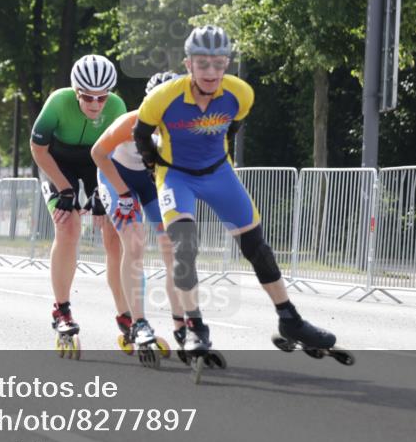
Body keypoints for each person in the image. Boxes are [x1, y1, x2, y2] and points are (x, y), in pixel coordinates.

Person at [133, 25, 338, 358]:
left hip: (219, 173)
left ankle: (290, 318)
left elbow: (234, 128)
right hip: (176, 177)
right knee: (184, 248)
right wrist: (154, 166)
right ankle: (195, 327)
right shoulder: (163, 98)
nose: (211, 72)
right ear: (188, 65)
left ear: (226, 63)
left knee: (257, 247)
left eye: (218, 63)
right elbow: (141, 135)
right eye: (202, 64)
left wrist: (219, 157)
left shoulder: (240, 93)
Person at [30, 54, 127, 351]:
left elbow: (117, 155)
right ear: (76, 92)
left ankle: (126, 316)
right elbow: (38, 148)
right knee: (69, 227)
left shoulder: (117, 107)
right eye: (87, 97)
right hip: (58, 163)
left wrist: (100, 196)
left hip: (98, 163)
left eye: (101, 97)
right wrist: (64, 189)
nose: (95, 105)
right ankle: (61, 310)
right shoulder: (58, 102)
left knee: (114, 236)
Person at [91, 72, 185, 357]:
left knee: (174, 246)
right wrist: (120, 194)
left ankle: (181, 323)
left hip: (150, 181)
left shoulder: (182, 126)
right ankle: (138, 322)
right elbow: (98, 153)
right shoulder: (130, 122)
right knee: (133, 244)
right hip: (116, 177)